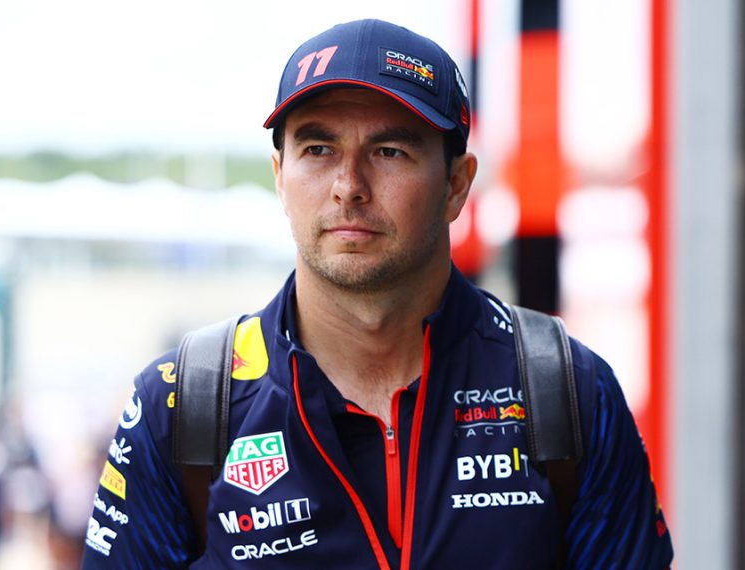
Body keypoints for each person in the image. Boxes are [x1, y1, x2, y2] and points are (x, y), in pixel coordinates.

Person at [81, 19, 672, 569]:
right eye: (318, 150)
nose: (349, 186)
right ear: (280, 177)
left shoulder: (568, 390)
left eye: (389, 151)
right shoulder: (180, 406)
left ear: (456, 185)